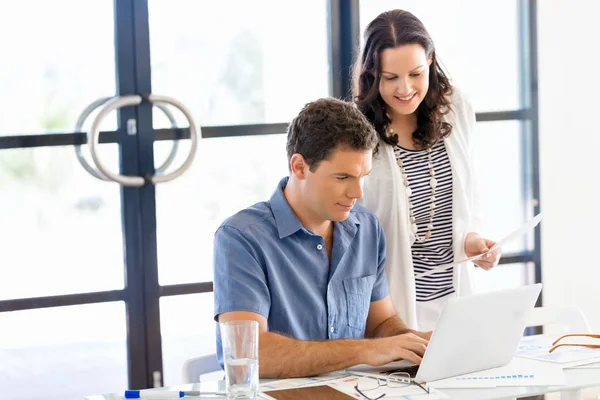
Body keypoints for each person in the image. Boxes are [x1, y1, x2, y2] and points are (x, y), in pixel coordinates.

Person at [213, 97, 430, 378]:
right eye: (343, 178)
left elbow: (381, 323)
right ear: (299, 167)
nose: (357, 193)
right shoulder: (241, 238)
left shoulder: (367, 229)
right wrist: (365, 351)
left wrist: (414, 344)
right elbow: (248, 353)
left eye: (363, 176)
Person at [353, 9, 502, 332]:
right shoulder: (357, 129)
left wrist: (472, 240)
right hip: (389, 311)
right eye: (390, 77)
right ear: (371, 73)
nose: (405, 89)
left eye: (416, 74)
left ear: (431, 61)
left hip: (454, 301)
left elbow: (468, 193)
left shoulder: (455, 107)